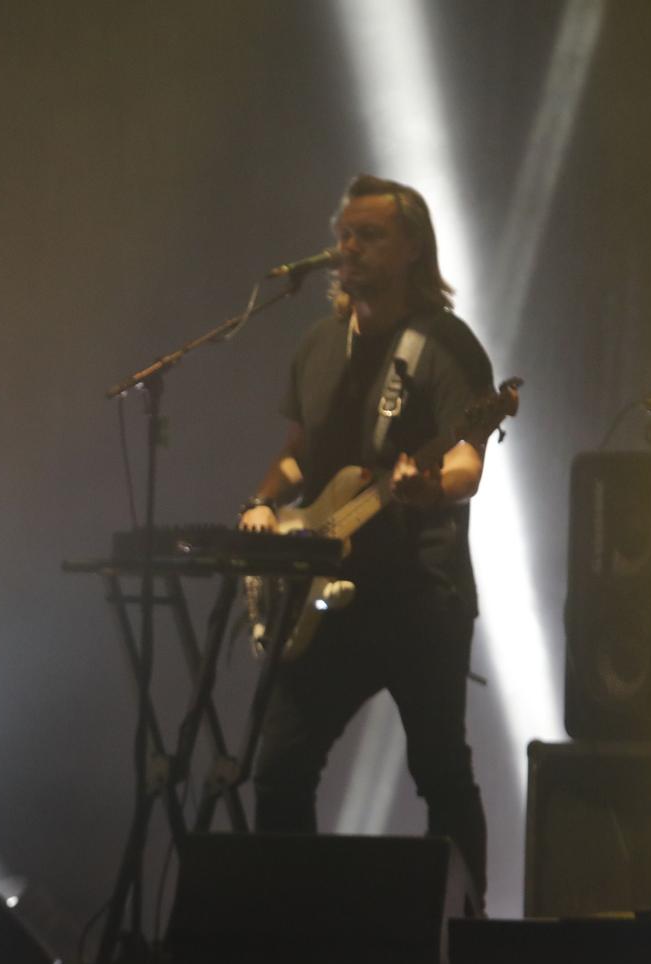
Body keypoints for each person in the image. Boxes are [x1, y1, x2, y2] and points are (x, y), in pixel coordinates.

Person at [240, 175, 497, 908]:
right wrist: (263, 501)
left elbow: (468, 459)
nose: (347, 247)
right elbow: (300, 454)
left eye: (370, 234)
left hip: (419, 593)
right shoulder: (321, 343)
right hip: (327, 596)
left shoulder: (444, 345)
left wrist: (428, 487)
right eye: (345, 233)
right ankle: (297, 932)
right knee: (281, 770)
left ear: (413, 249)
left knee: (440, 771)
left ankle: (464, 934)